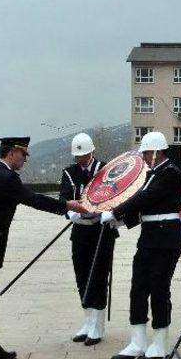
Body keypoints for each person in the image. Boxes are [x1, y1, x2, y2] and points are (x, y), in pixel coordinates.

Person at [0, 137, 88, 359]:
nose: (25, 160)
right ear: (13, 153)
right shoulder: (6, 178)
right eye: (23, 155)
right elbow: (33, 199)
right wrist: (67, 206)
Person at [100, 131, 181, 359]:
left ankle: (160, 344)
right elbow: (144, 211)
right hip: (149, 238)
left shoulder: (171, 174)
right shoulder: (153, 174)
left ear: (157, 151)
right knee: (138, 288)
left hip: (166, 239)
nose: (145, 158)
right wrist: (119, 221)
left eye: (147, 153)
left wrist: (115, 211)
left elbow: (146, 199)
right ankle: (137, 342)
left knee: (159, 289)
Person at [60, 132, 115, 346]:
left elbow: (114, 195)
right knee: (82, 275)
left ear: (92, 152)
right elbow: (64, 197)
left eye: (83, 156)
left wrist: (106, 213)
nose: (80, 160)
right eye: (77, 157)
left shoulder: (105, 169)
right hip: (80, 231)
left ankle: (97, 327)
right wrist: (70, 213)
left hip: (101, 232)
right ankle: (88, 321)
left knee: (98, 276)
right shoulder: (69, 172)